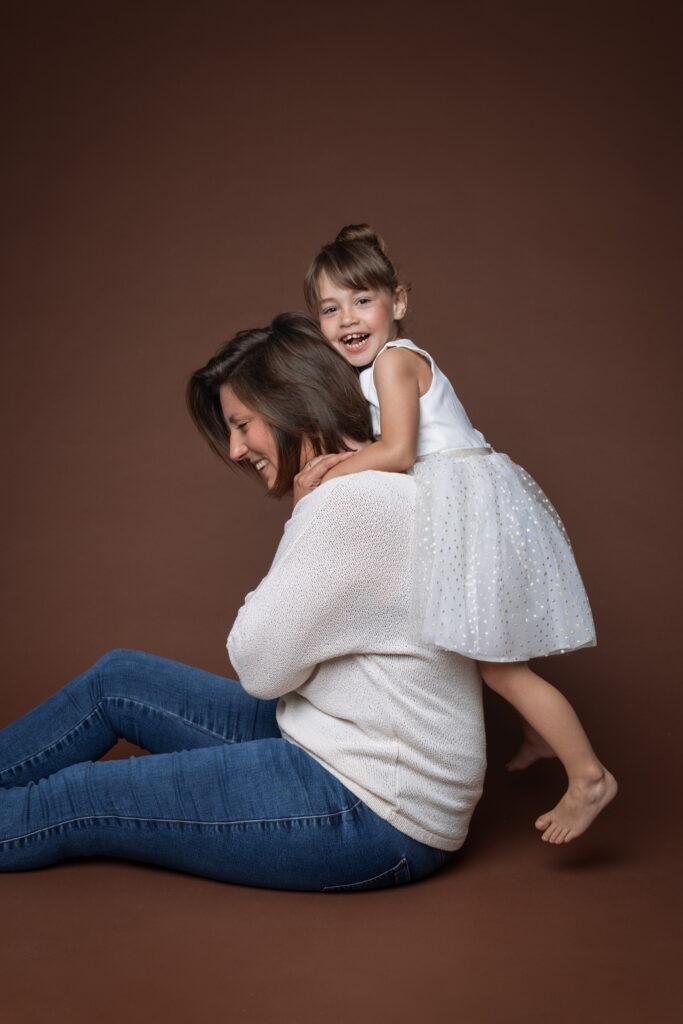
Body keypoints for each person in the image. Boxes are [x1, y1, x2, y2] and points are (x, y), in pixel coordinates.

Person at [0, 312, 486, 889]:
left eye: (242, 424)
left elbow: (260, 668)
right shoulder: (375, 482)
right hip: (348, 747)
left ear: (293, 402)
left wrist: (304, 517)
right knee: (119, 679)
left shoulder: (346, 504)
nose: (234, 450)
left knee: (73, 798)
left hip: (373, 811)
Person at [303, 224, 617, 844]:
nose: (347, 320)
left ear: (399, 301)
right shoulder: (381, 369)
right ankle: (538, 734)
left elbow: (395, 452)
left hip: (464, 504)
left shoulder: (394, 361)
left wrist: (327, 470)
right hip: (464, 503)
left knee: (496, 667)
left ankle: (590, 777)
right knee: (487, 651)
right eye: (330, 309)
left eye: (362, 301)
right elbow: (391, 445)